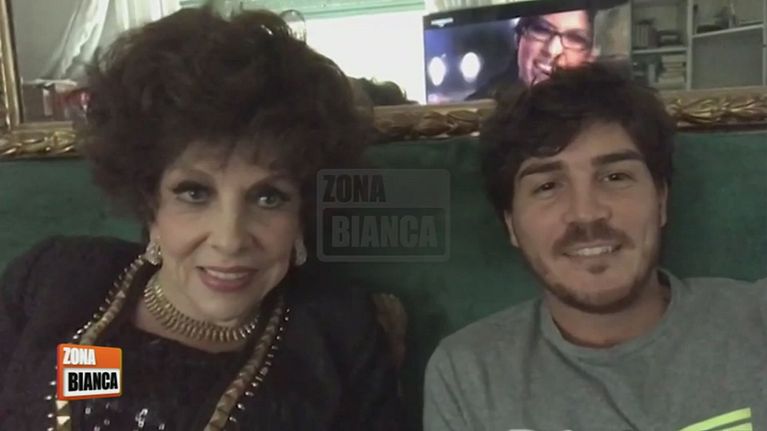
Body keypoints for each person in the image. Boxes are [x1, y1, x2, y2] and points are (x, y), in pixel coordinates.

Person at [0, 8, 402, 431]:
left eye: (268, 197)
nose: (229, 239)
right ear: (149, 200)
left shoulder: (337, 337)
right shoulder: (53, 280)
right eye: (195, 193)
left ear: (302, 214)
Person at [424, 63, 767, 430]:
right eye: (547, 186)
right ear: (511, 225)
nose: (586, 214)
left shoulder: (756, 322)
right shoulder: (468, 374)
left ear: (661, 200)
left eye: (615, 177)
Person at [467, 9, 595, 100]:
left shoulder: (598, 117)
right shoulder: (479, 107)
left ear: (591, 55)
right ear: (518, 37)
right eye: (542, 30)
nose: (552, 50)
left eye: (574, 38)